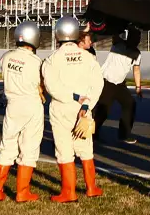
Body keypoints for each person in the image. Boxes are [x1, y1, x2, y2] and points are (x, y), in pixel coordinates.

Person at [42, 15, 105, 202]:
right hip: (84, 109)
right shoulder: (88, 57)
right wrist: (86, 104)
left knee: (64, 149)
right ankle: (92, 187)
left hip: (62, 108)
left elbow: (51, 86)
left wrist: (73, 97)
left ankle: (68, 192)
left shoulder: (52, 59)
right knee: (85, 148)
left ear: (58, 35)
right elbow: (98, 84)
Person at [0, 20, 44, 202]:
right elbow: (41, 83)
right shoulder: (36, 61)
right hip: (31, 104)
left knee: (7, 146)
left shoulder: (6, 57)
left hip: (12, 104)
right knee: (29, 149)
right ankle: (22, 192)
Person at [93, 26, 142, 145]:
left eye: (138, 38)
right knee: (103, 110)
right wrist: (126, 24)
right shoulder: (118, 45)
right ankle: (92, 133)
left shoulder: (137, 53)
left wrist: (138, 87)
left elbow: (136, 70)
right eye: (135, 37)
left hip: (120, 84)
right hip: (107, 82)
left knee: (130, 103)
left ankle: (124, 134)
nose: (137, 40)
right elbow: (115, 35)